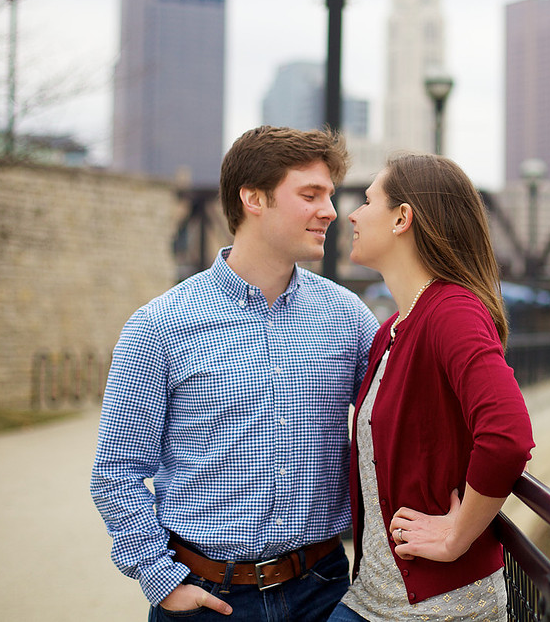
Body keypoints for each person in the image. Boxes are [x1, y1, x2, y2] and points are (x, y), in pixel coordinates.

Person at [91, 125, 380, 621]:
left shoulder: (347, 317)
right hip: (208, 600)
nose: (330, 211)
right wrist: (162, 581)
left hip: (324, 592)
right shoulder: (160, 325)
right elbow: (116, 470)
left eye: (329, 195)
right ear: (253, 198)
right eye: (309, 195)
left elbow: (396, 425)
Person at [329, 154, 535, 622]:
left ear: (403, 218)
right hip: (370, 599)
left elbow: (507, 436)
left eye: (366, 201)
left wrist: (456, 534)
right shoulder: (391, 330)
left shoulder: (452, 312)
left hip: (438, 609)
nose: (352, 215)